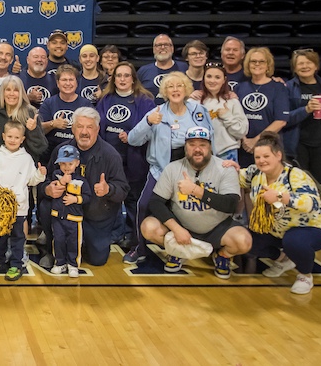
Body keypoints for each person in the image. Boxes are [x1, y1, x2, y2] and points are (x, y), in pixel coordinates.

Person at [141, 127, 252, 278]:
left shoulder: (225, 168)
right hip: (182, 226)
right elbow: (155, 203)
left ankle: (222, 256)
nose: (197, 149)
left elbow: (230, 204)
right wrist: (176, 229)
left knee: (244, 241)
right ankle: (178, 251)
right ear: (185, 147)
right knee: (149, 227)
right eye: (192, 144)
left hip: (216, 228)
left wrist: (196, 191)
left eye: (202, 145)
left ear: (210, 147)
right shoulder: (173, 168)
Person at [127, 72, 213, 264]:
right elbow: (133, 139)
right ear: (165, 91)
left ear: (186, 89)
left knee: (188, 210)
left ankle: (197, 247)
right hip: (161, 170)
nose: (175, 90)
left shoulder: (197, 111)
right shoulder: (157, 112)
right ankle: (138, 248)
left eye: (179, 86)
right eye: (171, 87)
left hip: (191, 170)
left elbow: (210, 139)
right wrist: (148, 123)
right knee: (143, 205)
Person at [240, 132, 321, 294]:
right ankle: (283, 260)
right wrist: (228, 167)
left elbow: (311, 203)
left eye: (266, 156)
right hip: (275, 230)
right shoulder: (255, 173)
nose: (261, 161)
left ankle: (305, 275)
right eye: (258, 157)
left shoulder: (295, 175)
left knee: (294, 241)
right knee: (245, 241)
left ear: (278, 155)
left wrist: (280, 196)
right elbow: (237, 175)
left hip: (311, 229)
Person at [43, 107, 130, 267]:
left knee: (97, 260)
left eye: (89, 127)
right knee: (45, 206)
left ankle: (82, 244)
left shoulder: (110, 155)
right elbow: (46, 180)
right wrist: (48, 189)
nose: (84, 132)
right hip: (65, 212)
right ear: (73, 129)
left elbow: (123, 190)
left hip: (95, 215)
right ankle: (52, 249)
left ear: (97, 129)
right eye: (80, 127)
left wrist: (108, 190)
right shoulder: (61, 150)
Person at [95, 62, 154, 253]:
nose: (122, 79)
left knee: (132, 198)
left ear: (133, 79)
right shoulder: (105, 99)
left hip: (135, 158)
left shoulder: (145, 101)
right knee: (111, 197)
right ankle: (114, 231)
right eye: (118, 76)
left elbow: (150, 129)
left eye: (126, 76)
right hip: (110, 157)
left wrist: (132, 136)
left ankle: (132, 234)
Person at [283, 48, 321, 228]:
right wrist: (306, 110)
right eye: (300, 63)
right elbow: (284, 119)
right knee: (298, 189)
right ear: (294, 68)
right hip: (297, 147)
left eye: (308, 62)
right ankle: (299, 227)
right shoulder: (288, 87)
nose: (305, 66)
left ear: (316, 65)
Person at [0, 121, 48, 280]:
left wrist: (40, 174)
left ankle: (16, 264)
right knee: (0, 236)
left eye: (16, 137)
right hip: (1, 207)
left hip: (19, 207)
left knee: (18, 237)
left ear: (22, 139)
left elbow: (32, 180)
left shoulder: (26, 159)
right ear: (4, 137)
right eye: (10, 136)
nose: (12, 140)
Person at [235, 47, 289, 167]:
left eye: (261, 61)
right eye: (253, 61)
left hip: (269, 148)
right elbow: (234, 116)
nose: (257, 64)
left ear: (268, 65)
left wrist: (255, 141)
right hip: (243, 147)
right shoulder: (240, 88)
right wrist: (245, 140)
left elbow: (280, 121)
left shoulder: (279, 88)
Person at [48, 145, 91, 278]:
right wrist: (62, 182)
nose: (67, 167)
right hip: (58, 217)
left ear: (77, 163)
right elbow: (52, 187)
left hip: (74, 219)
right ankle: (60, 262)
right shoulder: (56, 175)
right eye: (63, 164)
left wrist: (76, 199)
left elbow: (88, 197)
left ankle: (73, 264)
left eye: (70, 163)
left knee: (74, 242)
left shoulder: (82, 181)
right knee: (58, 240)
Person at [196, 63, 248, 162]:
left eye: (217, 77)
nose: (212, 81)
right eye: (209, 76)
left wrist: (227, 117)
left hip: (227, 153)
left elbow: (241, 132)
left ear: (224, 80)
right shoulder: (194, 102)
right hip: (200, 154)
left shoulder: (232, 102)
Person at [40, 64, 93, 152]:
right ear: (57, 83)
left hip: (79, 152)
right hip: (52, 152)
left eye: (71, 80)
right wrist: (52, 124)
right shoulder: (49, 103)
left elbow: (93, 130)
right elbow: (38, 129)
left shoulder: (85, 104)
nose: (68, 83)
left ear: (76, 83)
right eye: (64, 80)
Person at [137, 34, 187, 99]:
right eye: (159, 45)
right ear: (153, 49)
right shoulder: (143, 71)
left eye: (166, 44)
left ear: (172, 48)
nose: (162, 47)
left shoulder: (184, 68)